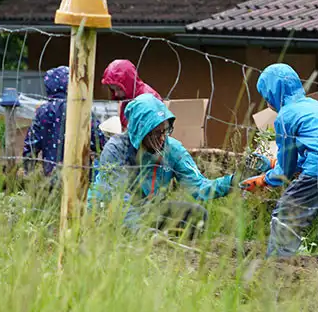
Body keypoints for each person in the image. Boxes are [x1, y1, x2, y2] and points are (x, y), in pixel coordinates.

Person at [242, 63, 318, 263]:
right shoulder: (315, 106)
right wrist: (274, 163)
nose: (267, 103)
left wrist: (264, 179)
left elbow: (287, 170)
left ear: (274, 93)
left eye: (266, 96)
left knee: (286, 214)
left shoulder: (285, 116)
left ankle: (276, 267)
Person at [87, 94, 232, 234]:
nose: (162, 138)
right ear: (140, 131)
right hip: (109, 209)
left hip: (146, 210)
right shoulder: (116, 149)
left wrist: (233, 181)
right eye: (156, 133)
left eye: (165, 131)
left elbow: (199, 187)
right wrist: (141, 232)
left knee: (197, 215)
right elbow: (119, 199)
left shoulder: (172, 149)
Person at [22, 66, 103, 177]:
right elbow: (98, 140)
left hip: (51, 173)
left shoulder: (43, 111)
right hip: (80, 176)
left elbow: (31, 144)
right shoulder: (81, 108)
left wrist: (28, 170)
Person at [101, 59, 160, 131]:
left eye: (119, 89)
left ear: (129, 83)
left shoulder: (148, 100)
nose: (116, 94)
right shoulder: (127, 99)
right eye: (113, 89)